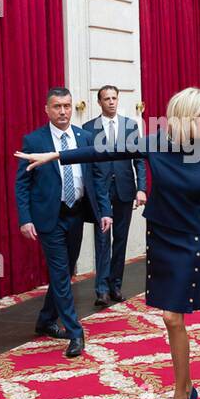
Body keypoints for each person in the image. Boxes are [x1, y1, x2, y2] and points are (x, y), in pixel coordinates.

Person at [16, 87, 200, 399]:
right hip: (161, 239)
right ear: (182, 118)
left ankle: (180, 396)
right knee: (170, 318)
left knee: (171, 316)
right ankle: (187, 386)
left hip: (190, 244)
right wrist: (56, 155)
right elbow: (102, 150)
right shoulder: (156, 143)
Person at [15, 87, 112, 358]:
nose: (63, 111)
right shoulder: (34, 141)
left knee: (65, 273)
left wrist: (104, 210)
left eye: (67, 106)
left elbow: (97, 179)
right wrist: (25, 218)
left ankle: (46, 319)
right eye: (57, 106)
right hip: (50, 217)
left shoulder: (84, 137)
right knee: (60, 273)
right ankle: (75, 331)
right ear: (47, 109)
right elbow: (22, 184)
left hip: (76, 214)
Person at [83, 85, 147, 307]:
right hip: (100, 192)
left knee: (120, 239)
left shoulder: (130, 126)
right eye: (106, 99)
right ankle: (101, 289)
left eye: (114, 98)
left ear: (118, 100)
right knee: (102, 240)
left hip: (124, 190)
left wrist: (142, 188)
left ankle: (115, 286)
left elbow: (139, 159)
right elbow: (87, 165)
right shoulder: (88, 129)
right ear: (99, 102)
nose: (111, 102)